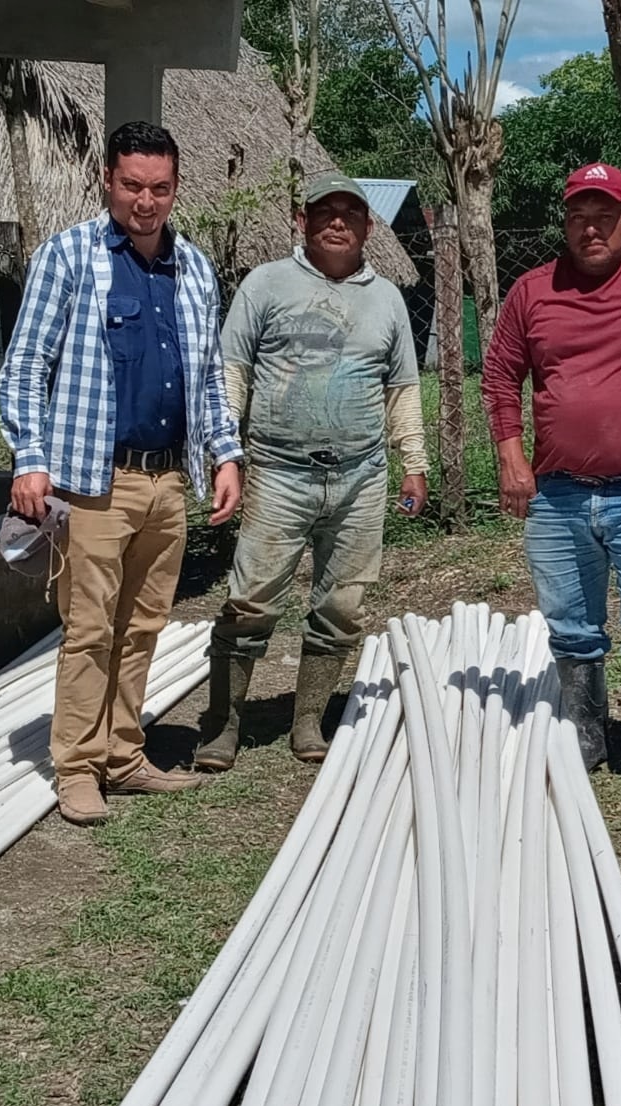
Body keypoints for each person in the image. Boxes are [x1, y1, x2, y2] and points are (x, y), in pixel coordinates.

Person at [0, 121, 244, 827]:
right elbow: (24, 367)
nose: (145, 200)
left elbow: (207, 380)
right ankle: (76, 768)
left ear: (176, 189)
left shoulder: (195, 268)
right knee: (89, 629)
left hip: (167, 480)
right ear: (106, 180)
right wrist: (30, 458)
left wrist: (224, 454)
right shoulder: (68, 258)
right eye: (132, 185)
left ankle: (123, 753)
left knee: (143, 626)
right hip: (92, 478)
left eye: (159, 188)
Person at [193, 173, 427, 770]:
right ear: (303, 220)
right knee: (250, 600)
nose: (338, 222)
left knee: (342, 606)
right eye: (325, 211)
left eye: (351, 212)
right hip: (278, 473)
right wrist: (228, 455)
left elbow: (402, 387)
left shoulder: (388, 299)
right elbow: (232, 372)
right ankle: (223, 725)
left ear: (369, 226)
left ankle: (308, 720)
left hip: (361, 476)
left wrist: (414, 463)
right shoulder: (266, 285)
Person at [482, 163, 621, 791]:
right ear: (566, 222)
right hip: (558, 492)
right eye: (579, 216)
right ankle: (588, 731)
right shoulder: (533, 291)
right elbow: (500, 375)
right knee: (571, 622)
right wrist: (510, 454)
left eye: (605, 215)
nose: (591, 228)